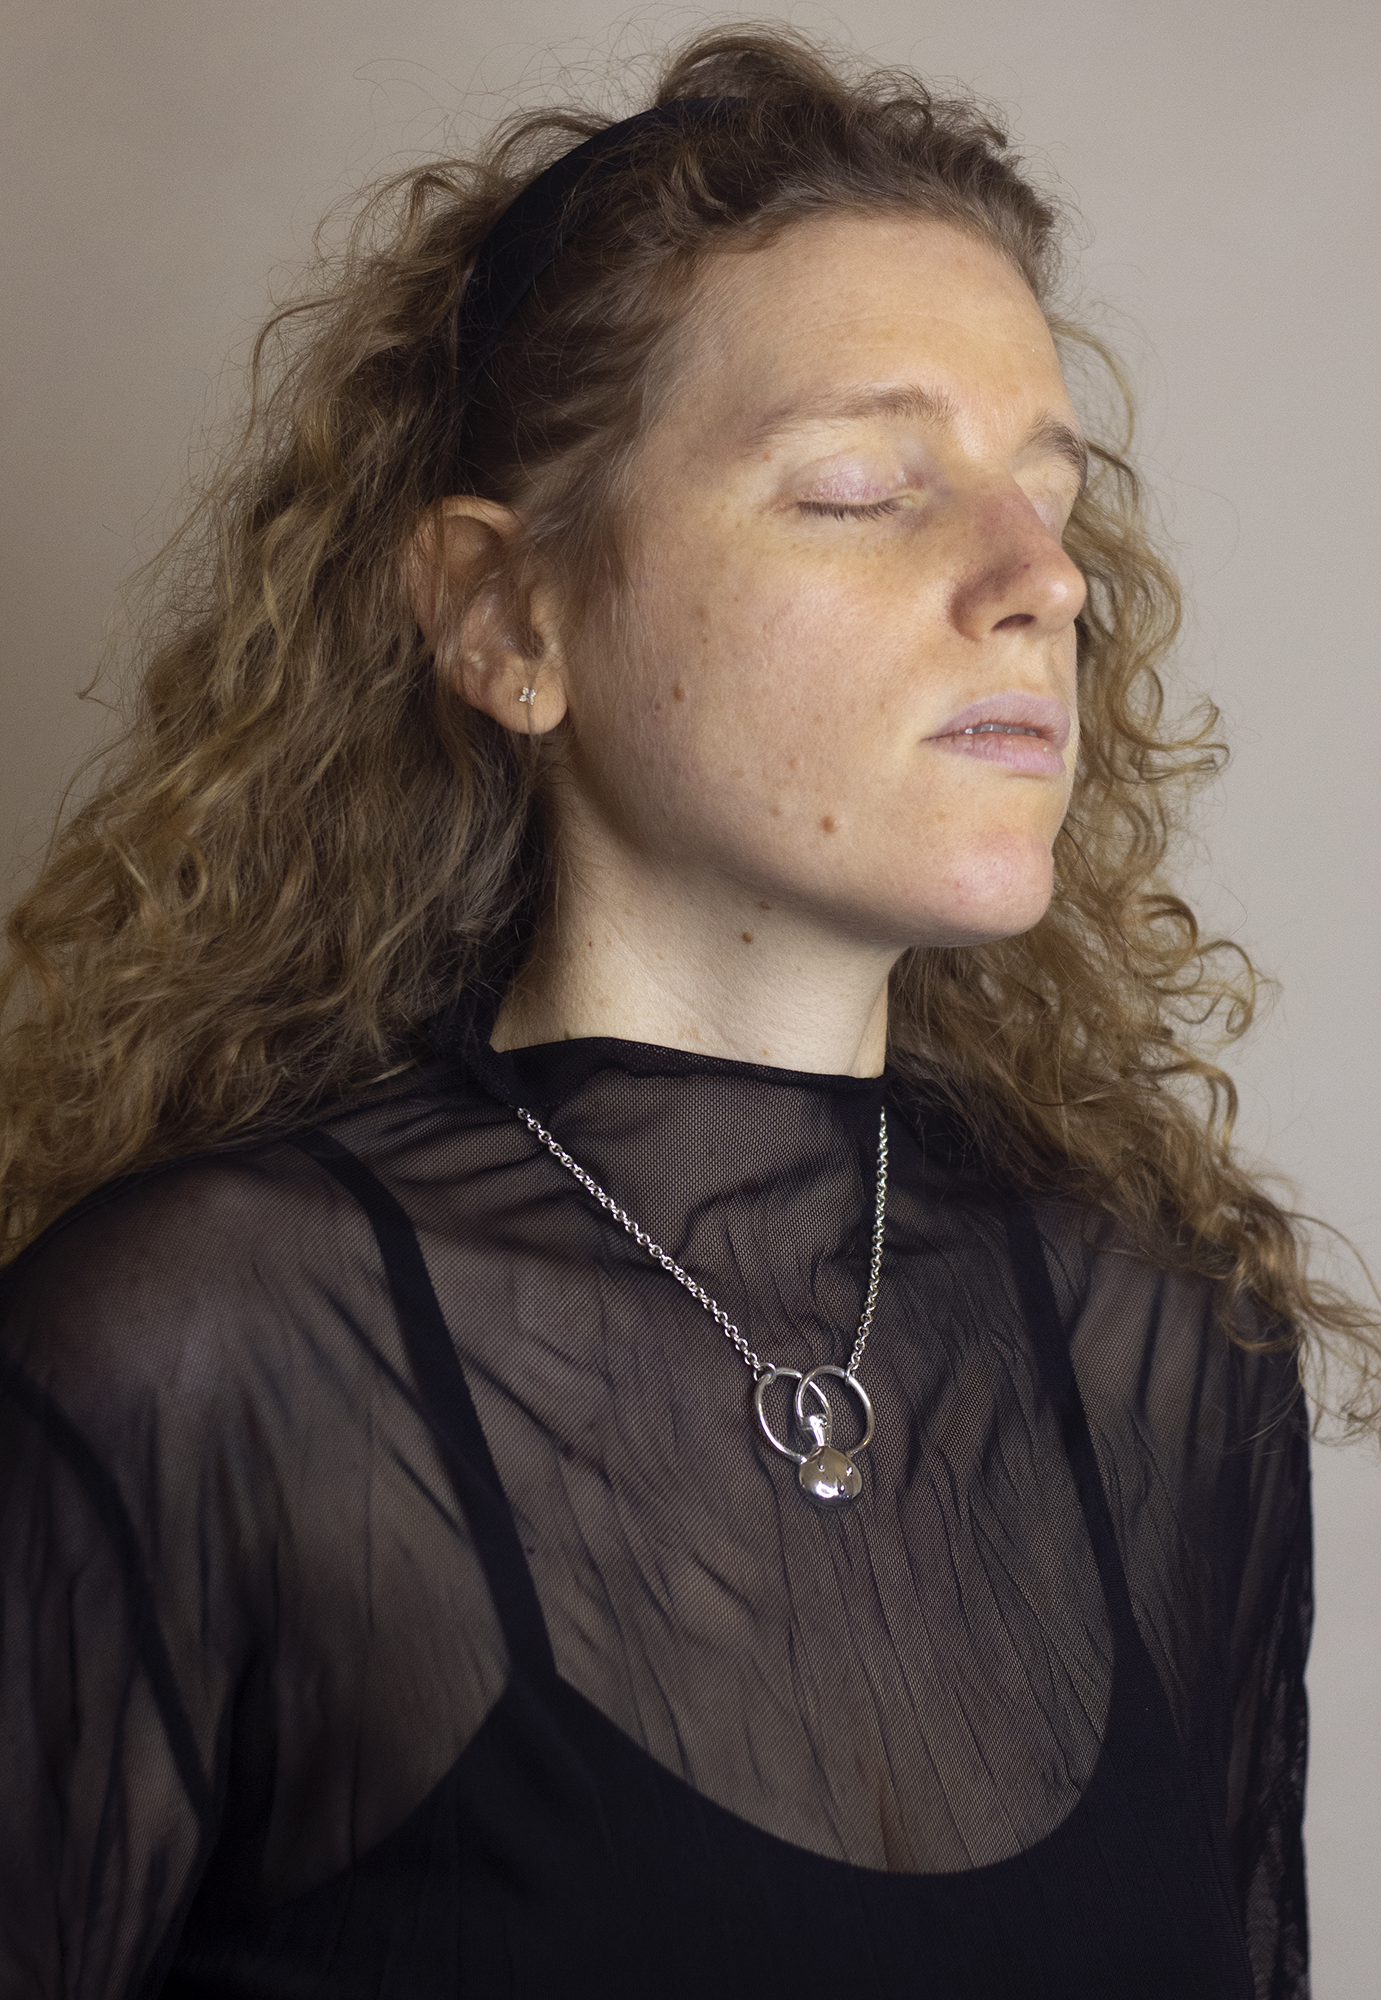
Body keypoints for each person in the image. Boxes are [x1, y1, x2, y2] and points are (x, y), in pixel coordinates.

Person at [0, 26, 1369, 1999]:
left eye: (1051, 495)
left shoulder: (1173, 1357)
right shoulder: (192, 1356)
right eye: (860, 487)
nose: (1040, 583)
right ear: (509, 619)